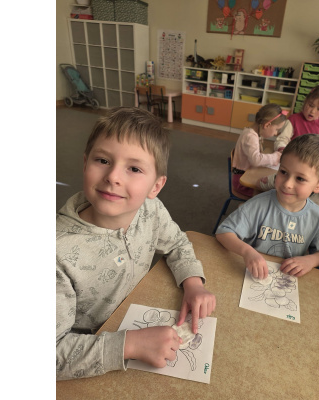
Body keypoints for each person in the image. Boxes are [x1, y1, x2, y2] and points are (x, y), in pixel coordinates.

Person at [56, 107, 216, 381]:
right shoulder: (57, 254)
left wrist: (193, 283)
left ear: (156, 186)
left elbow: (177, 242)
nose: (113, 177)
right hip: (91, 363)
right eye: (103, 160)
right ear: (85, 163)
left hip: (137, 318)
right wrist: (129, 345)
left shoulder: (150, 210)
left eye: (134, 168)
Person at [216, 134, 319, 279]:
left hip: (288, 280)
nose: (287, 184)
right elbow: (224, 232)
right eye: (283, 172)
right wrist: (247, 252)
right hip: (252, 275)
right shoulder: (258, 205)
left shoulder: (318, 217)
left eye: (300, 178)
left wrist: (310, 261)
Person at [231, 103, 287, 198]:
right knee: (273, 194)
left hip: (247, 174)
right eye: (276, 129)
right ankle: (250, 206)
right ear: (267, 125)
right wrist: (277, 156)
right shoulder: (250, 136)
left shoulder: (253, 133)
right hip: (243, 182)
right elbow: (256, 160)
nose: (276, 133)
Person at [273, 85, 319, 152]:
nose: (313, 111)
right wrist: (282, 150)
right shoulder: (293, 120)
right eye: (311, 105)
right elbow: (281, 140)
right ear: (305, 101)